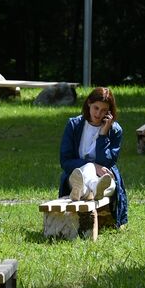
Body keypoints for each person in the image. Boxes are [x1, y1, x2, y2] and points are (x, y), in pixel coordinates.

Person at [58, 85, 128, 226]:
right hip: (77, 175)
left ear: (109, 112)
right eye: (96, 108)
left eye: (103, 111)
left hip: (103, 177)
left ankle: (88, 189)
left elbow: (107, 162)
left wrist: (103, 134)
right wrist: (91, 166)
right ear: (89, 103)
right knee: (87, 169)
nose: (98, 114)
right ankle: (93, 188)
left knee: (109, 183)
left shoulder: (115, 130)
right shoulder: (74, 125)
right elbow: (65, 161)